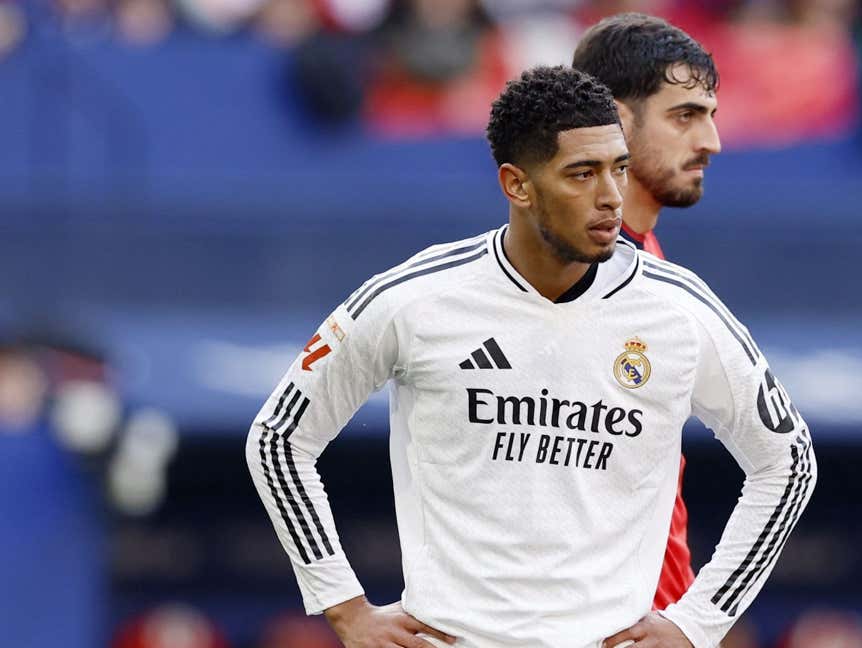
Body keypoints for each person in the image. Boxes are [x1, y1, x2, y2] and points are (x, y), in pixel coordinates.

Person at [246, 65, 815, 648]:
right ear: (517, 184)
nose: (612, 196)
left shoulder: (679, 309)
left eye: (619, 168)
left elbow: (789, 462)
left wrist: (698, 622)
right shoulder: (416, 299)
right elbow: (279, 438)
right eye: (582, 174)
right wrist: (344, 604)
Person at [572, 12, 723, 612]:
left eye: (710, 116)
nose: (711, 141)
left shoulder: (645, 258)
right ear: (612, 118)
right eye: (685, 116)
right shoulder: (574, 278)